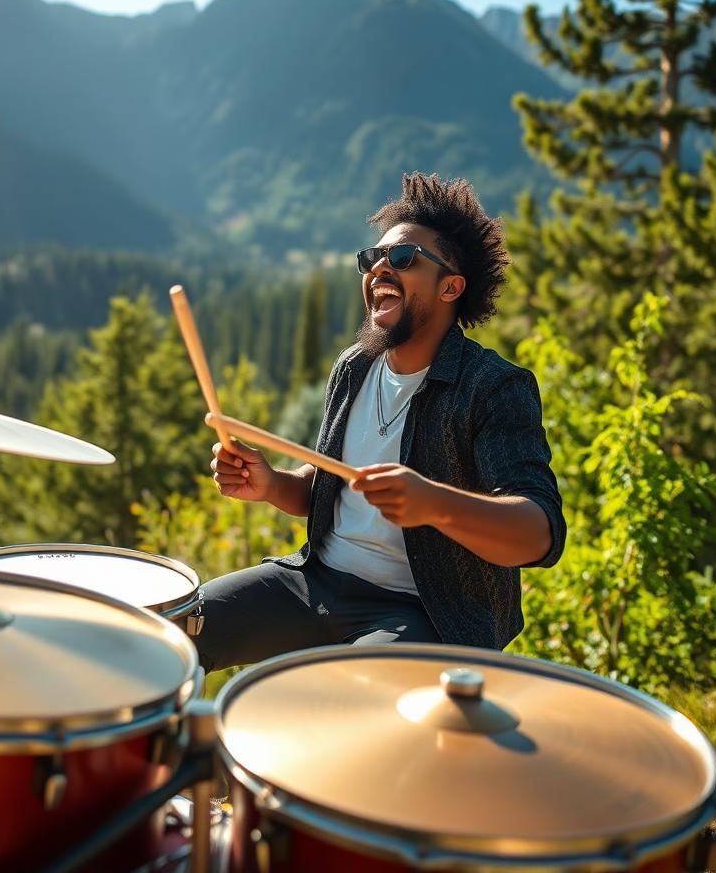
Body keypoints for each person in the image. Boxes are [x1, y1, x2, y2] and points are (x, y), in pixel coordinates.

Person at [196, 172, 566, 673]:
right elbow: (329, 490)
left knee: (342, 705)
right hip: (316, 582)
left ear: (451, 287)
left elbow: (539, 534)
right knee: (171, 632)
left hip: (422, 613)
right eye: (371, 260)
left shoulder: (493, 387)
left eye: (403, 259)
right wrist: (270, 484)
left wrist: (434, 503)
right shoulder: (354, 368)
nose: (379, 271)